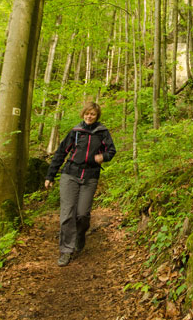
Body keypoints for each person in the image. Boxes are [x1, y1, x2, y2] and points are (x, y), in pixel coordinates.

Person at [45, 102, 116, 266]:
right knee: (67, 214)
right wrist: (50, 176)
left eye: (92, 114)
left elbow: (111, 151)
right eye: (87, 114)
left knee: (82, 214)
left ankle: (80, 235)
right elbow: (61, 153)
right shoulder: (76, 132)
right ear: (83, 114)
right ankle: (66, 251)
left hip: (90, 176)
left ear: (97, 116)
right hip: (70, 174)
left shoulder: (102, 132)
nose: (89, 116)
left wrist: (102, 157)